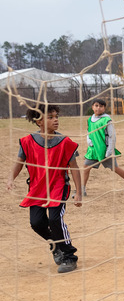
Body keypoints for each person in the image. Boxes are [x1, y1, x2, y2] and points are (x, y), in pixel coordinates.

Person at [7, 104, 83, 274]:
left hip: (58, 187)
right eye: (51, 117)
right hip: (37, 188)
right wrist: (11, 178)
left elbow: (74, 167)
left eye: (56, 116)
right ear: (39, 121)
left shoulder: (64, 142)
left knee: (55, 220)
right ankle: (55, 245)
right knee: (36, 223)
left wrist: (78, 192)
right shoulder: (27, 142)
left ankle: (69, 256)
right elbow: (19, 162)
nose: (56, 120)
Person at [82, 98, 124, 195]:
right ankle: (82, 190)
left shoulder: (107, 120)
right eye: (96, 106)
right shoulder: (90, 119)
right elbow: (89, 132)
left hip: (104, 150)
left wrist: (109, 151)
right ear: (92, 107)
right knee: (86, 167)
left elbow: (112, 137)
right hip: (93, 150)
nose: (98, 108)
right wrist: (89, 141)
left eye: (101, 106)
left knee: (114, 168)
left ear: (104, 108)